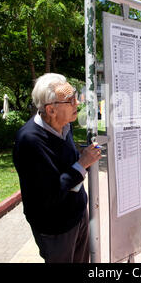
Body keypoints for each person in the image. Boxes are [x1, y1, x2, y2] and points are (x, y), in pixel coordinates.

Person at [13, 73, 101, 263]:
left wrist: (80, 157)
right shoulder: (30, 141)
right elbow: (49, 194)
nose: (77, 103)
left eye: (75, 96)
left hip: (77, 214)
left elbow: (64, 163)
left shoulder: (65, 126)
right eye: (70, 100)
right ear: (51, 110)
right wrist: (82, 163)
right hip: (55, 227)